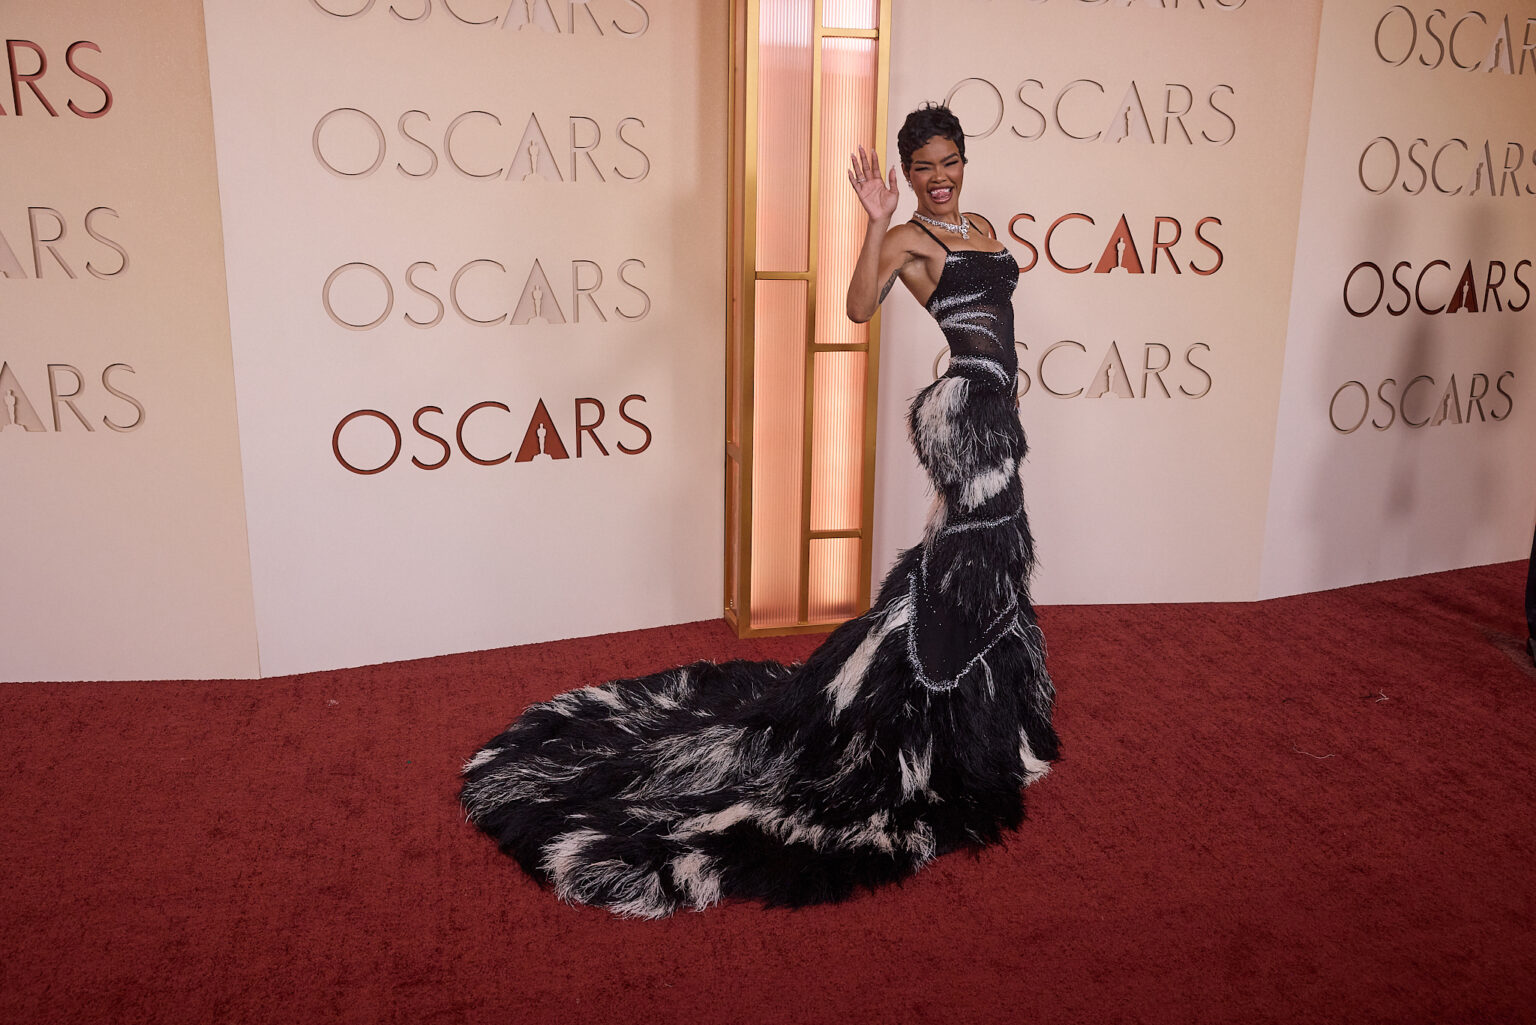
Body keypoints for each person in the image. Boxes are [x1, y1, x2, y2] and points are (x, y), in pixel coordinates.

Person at [460, 103, 1058, 918]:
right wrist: (876, 221)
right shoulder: (913, 239)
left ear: (964, 159)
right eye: (922, 167)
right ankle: (921, 723)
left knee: (986, 553)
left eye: (948, 160)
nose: (939, 177)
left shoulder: (981, 222)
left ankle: (974, 716)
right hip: (965, 412)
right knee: (972, 553)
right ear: (908, 173)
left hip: (999, 407)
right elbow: (856, 306)